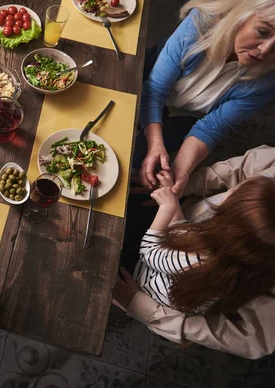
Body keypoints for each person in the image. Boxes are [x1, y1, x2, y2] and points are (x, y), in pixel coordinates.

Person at [114, 145, 275, 359]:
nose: (228, 195)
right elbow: (184, 235)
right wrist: (177, 191)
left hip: (145, 276)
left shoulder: (198, 260)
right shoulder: (236, 272)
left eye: (232, 197)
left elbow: (150, 251)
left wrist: (167, 208)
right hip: (175, 249)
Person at [137, 0, 275, 195]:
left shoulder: (268, 81)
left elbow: (212, 126)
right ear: (243, 16)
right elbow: (155, 89)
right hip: (150, 80)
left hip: (185, 115)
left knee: (140, 160)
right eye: (262, 32)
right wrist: (155, 144)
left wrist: (178, 174)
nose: (264, 50)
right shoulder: (202, 22)